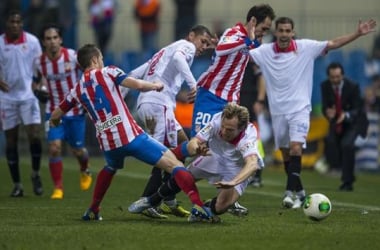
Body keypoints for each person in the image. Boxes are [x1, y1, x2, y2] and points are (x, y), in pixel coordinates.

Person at [49, 43, 212, 221]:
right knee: (175, 164)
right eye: (101, 58)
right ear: (95, 59)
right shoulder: (109, 72)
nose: (103, 61)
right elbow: (136, 84)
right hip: (130, 137)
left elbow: (56, 114)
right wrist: (155, 85)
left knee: (110, 167)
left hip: (108, 144)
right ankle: (199, 205)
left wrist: (55, 121)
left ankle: (93, 208)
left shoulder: (78, 89)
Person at [249, 17, 376, 208]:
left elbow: (333, 43)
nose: (284, 34)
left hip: (299, 109)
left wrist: (357, 33)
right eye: (281, 31)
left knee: (296, 148)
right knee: (286, 155)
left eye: (287, 31)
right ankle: (299, 192)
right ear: (275, 33)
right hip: (278, 112)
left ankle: (288, 194)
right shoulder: (265, 52)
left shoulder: (305, 47)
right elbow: (244, 53)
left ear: (292, 32)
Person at [190, 4, 276, 215]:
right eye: (263, 28)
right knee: (197, 145)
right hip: (211, 97)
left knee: (224, 144)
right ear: (253, 22)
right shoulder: (236, 32)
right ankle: (159, 194)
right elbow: (221, 49)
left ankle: (225, 193)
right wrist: (247, 39)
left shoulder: (249, 42)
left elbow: (226, 52)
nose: (264, 34)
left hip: (228, 101)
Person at [128, 24, 213, 218]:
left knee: (184, 145)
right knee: (163, 155)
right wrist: (194, 85)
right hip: (159, 104)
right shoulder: (186, 46)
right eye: (203, 42)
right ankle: (149, 200)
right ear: (191, 35)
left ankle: (168, 198)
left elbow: (134, 74)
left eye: (207, 44)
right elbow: (178, 59)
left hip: (147, 104)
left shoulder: (164, 50)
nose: (202, 47)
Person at [128, 103, 262, 222]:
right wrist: (196, 149)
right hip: (214, 155)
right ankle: (151, 200)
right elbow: (194, 141)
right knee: (182, 176)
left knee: (221, 207)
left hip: (236, 168)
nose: (224, 132)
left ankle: (207, 207)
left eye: (230, 130)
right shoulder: (217, 120)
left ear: (242, 128)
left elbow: (252, 164)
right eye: (223, 127)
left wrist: (233, 182)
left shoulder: (248, 136)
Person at [33, 24, 93, 199]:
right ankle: (58, 188)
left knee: (78, 150)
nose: (52, 42)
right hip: (53, 111)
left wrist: (86, 100)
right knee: (54, 148)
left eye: (54, 38)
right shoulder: (39, 61)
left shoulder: (72, 56)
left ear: (60, 40)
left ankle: (85, 169)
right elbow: (36, 81)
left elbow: (89, 74)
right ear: (44, 42)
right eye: (48, 39)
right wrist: (38, 90)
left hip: (75, 111)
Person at [0, 10, 43, 197]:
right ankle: (17, 184)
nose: (15, 25)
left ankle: (35, 173)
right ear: (6, 24)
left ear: (22, 23)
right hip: (6, 98)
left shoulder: (32, 41)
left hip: (28, 96)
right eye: (12, 21)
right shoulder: (0, 43)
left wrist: (39, 83)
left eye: (18, 21)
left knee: (34, 135)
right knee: (11, 140)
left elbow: (40, 65)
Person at [321, 62, 368, 191]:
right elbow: (325, 106)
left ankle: (347, 182)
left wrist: (345, 115)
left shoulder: (353, 86)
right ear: (329, 77)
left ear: (342, 75)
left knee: (347, 145)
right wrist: (328, 113)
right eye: (333, 77)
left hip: (353, 122)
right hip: (335, 122)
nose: (335, 80)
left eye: (338, 77)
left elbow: (358, 108)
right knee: (330, 141)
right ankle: (335, 167)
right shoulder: (325, 86)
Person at [239, 61, 267, 188]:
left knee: (254, 138)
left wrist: (260, 100)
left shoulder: (254, 59)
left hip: (250, 101)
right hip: (237, 100)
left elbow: (262, 77)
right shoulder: (237, 58)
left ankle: (257, 173)